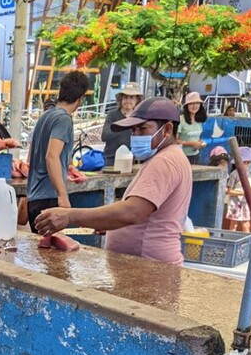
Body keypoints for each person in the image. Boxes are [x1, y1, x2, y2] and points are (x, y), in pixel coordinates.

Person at [34, 98, 192, 266]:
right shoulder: (170, 157)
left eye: (142, 129)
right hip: (143, 267)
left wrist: (69, 215)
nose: (136, 136)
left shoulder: (165, 161)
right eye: (133, 130)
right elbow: (140, 210)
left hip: (151, 266)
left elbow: (132, 212)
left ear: (167, 129)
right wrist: (108, 221)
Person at [25, 70, 90, 233]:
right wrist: (63, 195)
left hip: (34, 198)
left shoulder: (45, 117)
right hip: (49, 198)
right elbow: (51, 157)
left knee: (43, 256)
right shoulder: (63, 119)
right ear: (80, 99)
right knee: (54, 256)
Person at [101, 81, 143, 166]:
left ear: (137, 100)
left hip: (133, 162)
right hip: (111, 161)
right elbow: (105, 136)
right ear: (121, 99)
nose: (128, 100)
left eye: (131, 98)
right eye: (125, 97)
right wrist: (124, 126)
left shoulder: (140, 118)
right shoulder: (112, 115)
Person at [223, 146, 251, 233]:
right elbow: (228, 191)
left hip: (246, 202)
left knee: (246, 224)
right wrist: (243, 193)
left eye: (249, 162)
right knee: (233, 224)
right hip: (235, 203)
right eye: (245, 162)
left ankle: (246, 244)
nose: (248, 164)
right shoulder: (234, 174)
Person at [177, 92, 207, 160]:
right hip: (182, 156)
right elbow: (174, 140)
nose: (194, 106)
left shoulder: (199, 120)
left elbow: (196, 138)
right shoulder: (181, 120)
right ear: (186, 106)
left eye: (197, 103)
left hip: (195, 155)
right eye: (191, 103)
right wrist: (192, 143)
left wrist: (201, 143)